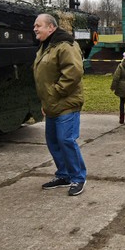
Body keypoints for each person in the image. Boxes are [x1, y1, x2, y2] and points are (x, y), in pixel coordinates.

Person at [33, 13, 88, 196]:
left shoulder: (66, 45)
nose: (35, 29)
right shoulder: (46, 46)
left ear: (51, 27)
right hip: (51, 104)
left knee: (66, 140)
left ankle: (78, 177)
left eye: (38, 25)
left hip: (66, 103)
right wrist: (46, 101)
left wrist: (55, 92)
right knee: (54, 141)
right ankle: (64, 175)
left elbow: (73, 72)